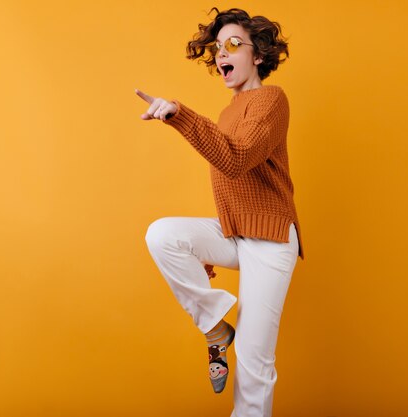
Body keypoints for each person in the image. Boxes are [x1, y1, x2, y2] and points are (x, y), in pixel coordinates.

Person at [137, 7, 304, 417]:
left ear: (258, 55)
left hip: (271, 239)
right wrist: (203, 253)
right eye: (217, 48)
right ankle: (215, 328)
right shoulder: (230, 111)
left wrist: (179, 115)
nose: (221, 55)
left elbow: (236, 160)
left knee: (253, 364)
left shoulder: (271, 100)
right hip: (235, 233)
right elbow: (230, 182)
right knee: (163, 235)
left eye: (233, 45)